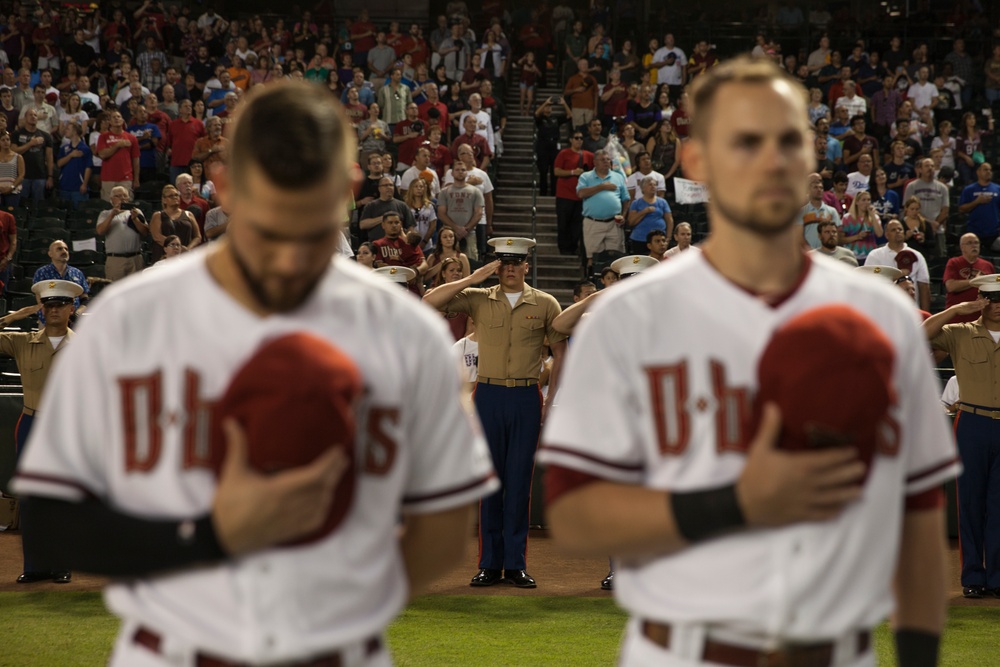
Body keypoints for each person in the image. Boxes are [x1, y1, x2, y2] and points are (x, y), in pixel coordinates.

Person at [12, 80, 497, 667]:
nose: (288, 233)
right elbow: (47, 519)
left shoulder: (407, 330)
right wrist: (214, 537)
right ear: (226, 184)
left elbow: (442, 523)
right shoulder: (129, 318)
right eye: (272, 202)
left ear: (348, 190)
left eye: (307, 204)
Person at [539, 56, 956, 667]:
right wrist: (735, 502)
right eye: (746, 141)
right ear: (699, 162)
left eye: (789, 139)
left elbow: (918, 513)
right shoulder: (631, 315)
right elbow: (573, 514)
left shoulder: (882, 315)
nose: (772, 158)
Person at [424, 238, 566, 589]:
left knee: (519, 483)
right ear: (496, 267)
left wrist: (551, 398)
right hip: (486, 394)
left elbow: (560, 352)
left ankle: (515, 564)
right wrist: (475, 277)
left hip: (524, 396)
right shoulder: (478, 298)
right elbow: (430, 301)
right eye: (504, 263)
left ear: (527, 266)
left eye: (517, 262)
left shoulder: (545, 303)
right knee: (490, 481)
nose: (511, 269)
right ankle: (489, 564)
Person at [2, 279, 83, 584]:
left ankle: (61, 563)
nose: (54, 310)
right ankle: (35, 565)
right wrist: (11, 318)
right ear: (40, 308)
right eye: (48, 305)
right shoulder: (22, 341)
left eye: (60, 304)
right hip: (31, 422)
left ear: (71, 308)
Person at [924, 276, 1000, 598]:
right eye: (992, 299)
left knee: (998, 506)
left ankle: (996, 579)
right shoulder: (960, 333)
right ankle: (973, 577)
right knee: (969, 503)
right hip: (973, 422)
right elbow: (919, 336)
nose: (998, 305)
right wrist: (956, 309)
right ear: (981, 299)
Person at [578, 149, 630, 272]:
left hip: (614, 223)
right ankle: (592, 281)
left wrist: (623, 215)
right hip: (593, 223)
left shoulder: (618, 176)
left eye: (608, 159)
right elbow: (581, 193)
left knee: (616, 257)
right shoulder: (586, 177)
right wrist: (602, 187)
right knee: (593, 258)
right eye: (602, 160)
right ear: (595, 162)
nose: (606, 162)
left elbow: (626, 199)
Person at [864, 220, 931, 310]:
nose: (898, 231)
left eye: (900, 229)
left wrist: (925, 315)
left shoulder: (917, 255)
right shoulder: (875, 255)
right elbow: (868, 282)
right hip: (883, 308)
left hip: (912, 309)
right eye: (893, 230)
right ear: (887, 235)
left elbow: (924, 286)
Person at [96, 186, 149, 280]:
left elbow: (145, 232)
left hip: (135, 259)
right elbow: (100, 231)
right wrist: (112, 214)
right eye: (118, 196)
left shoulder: (136, 212)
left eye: (125, 196)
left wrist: (135, 219)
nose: (122, 198)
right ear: (111, 199)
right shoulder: (105, 214)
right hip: (115, 260)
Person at [437, 161, 484, 261]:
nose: (460, 172)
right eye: (457, 170)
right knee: (448, 263)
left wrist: (465, 229)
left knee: (471, 262)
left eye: (463, 170)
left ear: (467, 172)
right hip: (449, 235)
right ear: (452, 173)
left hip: (469, 234)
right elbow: (441, 213)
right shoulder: (444, 192)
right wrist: (455, 228)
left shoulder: (476, 191)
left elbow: (478, 213)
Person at [943, 234, 995, 323]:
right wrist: (976, 281)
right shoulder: (954, 262)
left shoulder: (987, 265)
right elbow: (951, 286)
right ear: (962, 247)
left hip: (981, 319)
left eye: (976, 243)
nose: (974, 245)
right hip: (957, 318)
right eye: (969, 243)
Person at [11, 108, 53, 204]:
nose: (33, 117)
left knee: (38, 204)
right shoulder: (17, 134)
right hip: (22, 176)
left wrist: (50, 176)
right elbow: (13, 152)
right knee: (22, 203)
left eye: (35, 115)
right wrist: (30, 144)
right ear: (25, 118)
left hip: (40, 176)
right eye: (30, 115)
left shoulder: (45, 136)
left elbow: (49, 158)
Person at [149, 184, 201, 261]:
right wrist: (175, 247)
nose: (175, 197)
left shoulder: (189, 214)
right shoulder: (158, 215)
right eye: (171, 196)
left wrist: (187, 249)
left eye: (176, 195)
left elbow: (197, 237)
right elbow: (156, 236)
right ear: (164, 200)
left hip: (185, 256)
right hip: (164, 257)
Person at [97, 110, 140, 202]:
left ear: (123, 120)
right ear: (109, 122)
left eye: (119, 117)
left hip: (125, 178)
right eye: (114, 117)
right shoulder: (103, 137)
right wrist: (117, 145)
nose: (116, 119)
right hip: (108, 178)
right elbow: (102, 154)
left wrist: (136, 179)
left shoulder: (131, 138)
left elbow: (135, 159)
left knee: (126, 206)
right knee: (108, 206)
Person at [958, 162, 1000, 250]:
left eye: (990, 170)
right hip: (974, 232)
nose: (988, 172)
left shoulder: (998, 189)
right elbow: (961, 209)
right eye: (985, 169)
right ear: (978, 172)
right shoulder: (969, 189)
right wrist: (977, 202)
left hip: (993, 233)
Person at [626, 176, 672, 255]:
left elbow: (669, 220)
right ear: (643, 188)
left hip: (659, 240)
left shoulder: (662, 202)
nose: (653, 186)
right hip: (640, 239)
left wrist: (668, 238)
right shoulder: (636, 203)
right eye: (650, 184)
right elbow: (631, 222)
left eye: (655, 185)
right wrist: (644, 212)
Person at [798, 172, 842, 249]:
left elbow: (838, 233)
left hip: (827, 252)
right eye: (815, 187)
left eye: (821, 188)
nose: (819, 190)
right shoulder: (801, 212)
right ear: (808, 190)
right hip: (808, 252)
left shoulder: (832, 211)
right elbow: (798, 235)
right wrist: (808, 250)